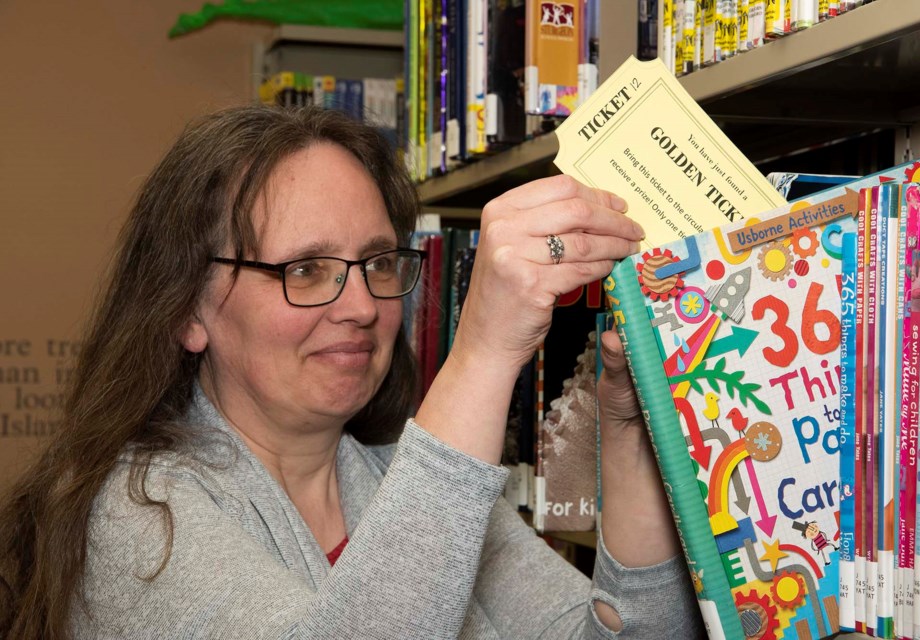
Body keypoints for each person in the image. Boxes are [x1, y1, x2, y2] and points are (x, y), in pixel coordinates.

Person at [0, 105, 703, 639]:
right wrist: (484, 351)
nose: (364, 306)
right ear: (188, 309)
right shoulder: (135, 512)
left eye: (377, 262)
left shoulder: (404, 479)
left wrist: (635, 429)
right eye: (304, 270)